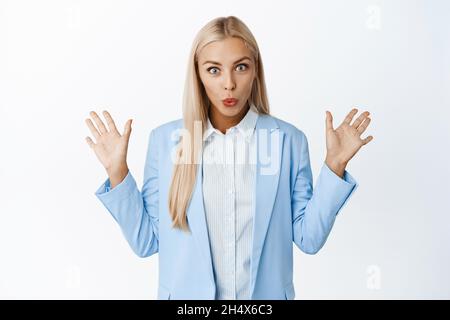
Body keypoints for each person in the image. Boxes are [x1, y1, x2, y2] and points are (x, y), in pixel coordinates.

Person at [85, 16, 373, 300]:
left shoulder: (289, 142)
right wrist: (118, 172)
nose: (229, 84)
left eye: (241, 67)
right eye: (214, 70)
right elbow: (146, 242)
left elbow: (309, 239)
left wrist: (335, 166)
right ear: (197, 73)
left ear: (255, 70)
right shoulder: (166, 142)